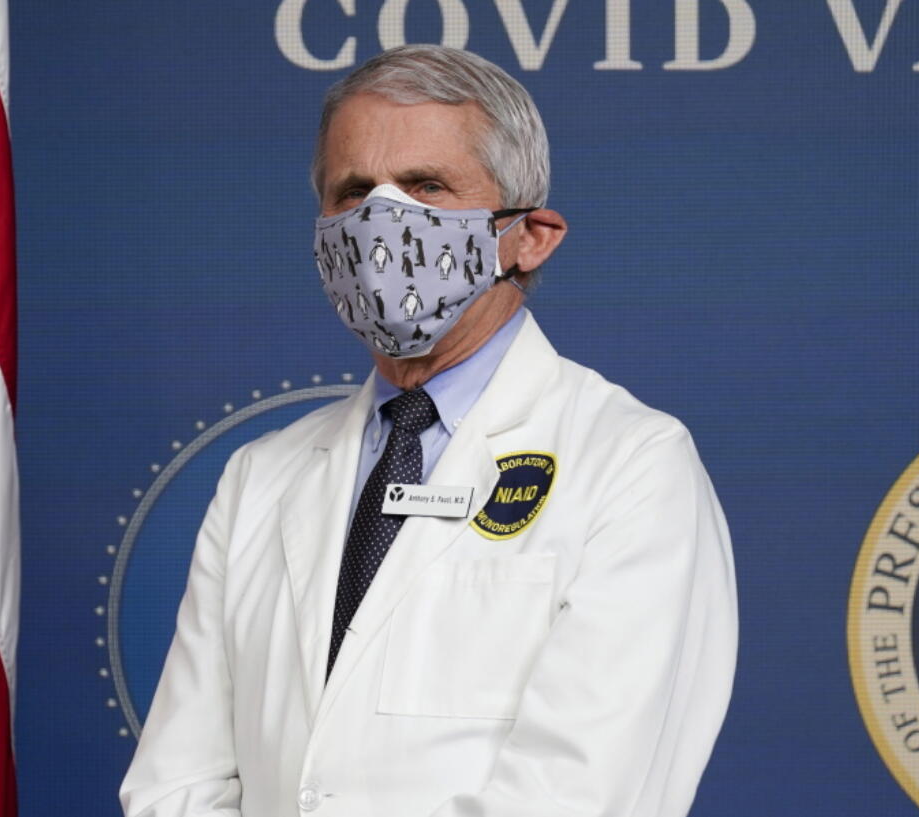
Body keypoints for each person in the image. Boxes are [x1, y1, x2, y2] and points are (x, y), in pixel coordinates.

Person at [120, 45, 737, 817]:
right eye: (352, 192)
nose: (382, 222)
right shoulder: (261, 475)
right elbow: (178, 780)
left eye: (425, 186)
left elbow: (583, 790)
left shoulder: (631, 464)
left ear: (529, 234)